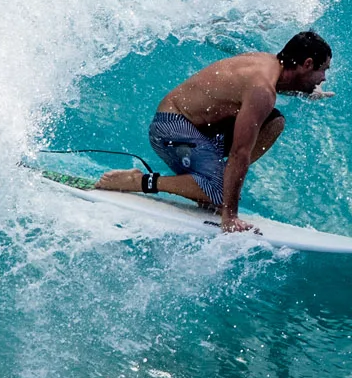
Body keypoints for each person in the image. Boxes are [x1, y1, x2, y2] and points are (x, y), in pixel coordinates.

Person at [96, 31, 332, 233]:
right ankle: (139, 181)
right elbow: (240, 153)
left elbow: (275, 88)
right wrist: (229, 216)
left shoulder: (268, 63)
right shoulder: (262, 89)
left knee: (275, 123)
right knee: (222, 191)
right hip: (170, 127)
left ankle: (208, 182)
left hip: (201, 133)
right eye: (323, 71)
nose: (323, 78)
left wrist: (305, 91)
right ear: (307, 64)